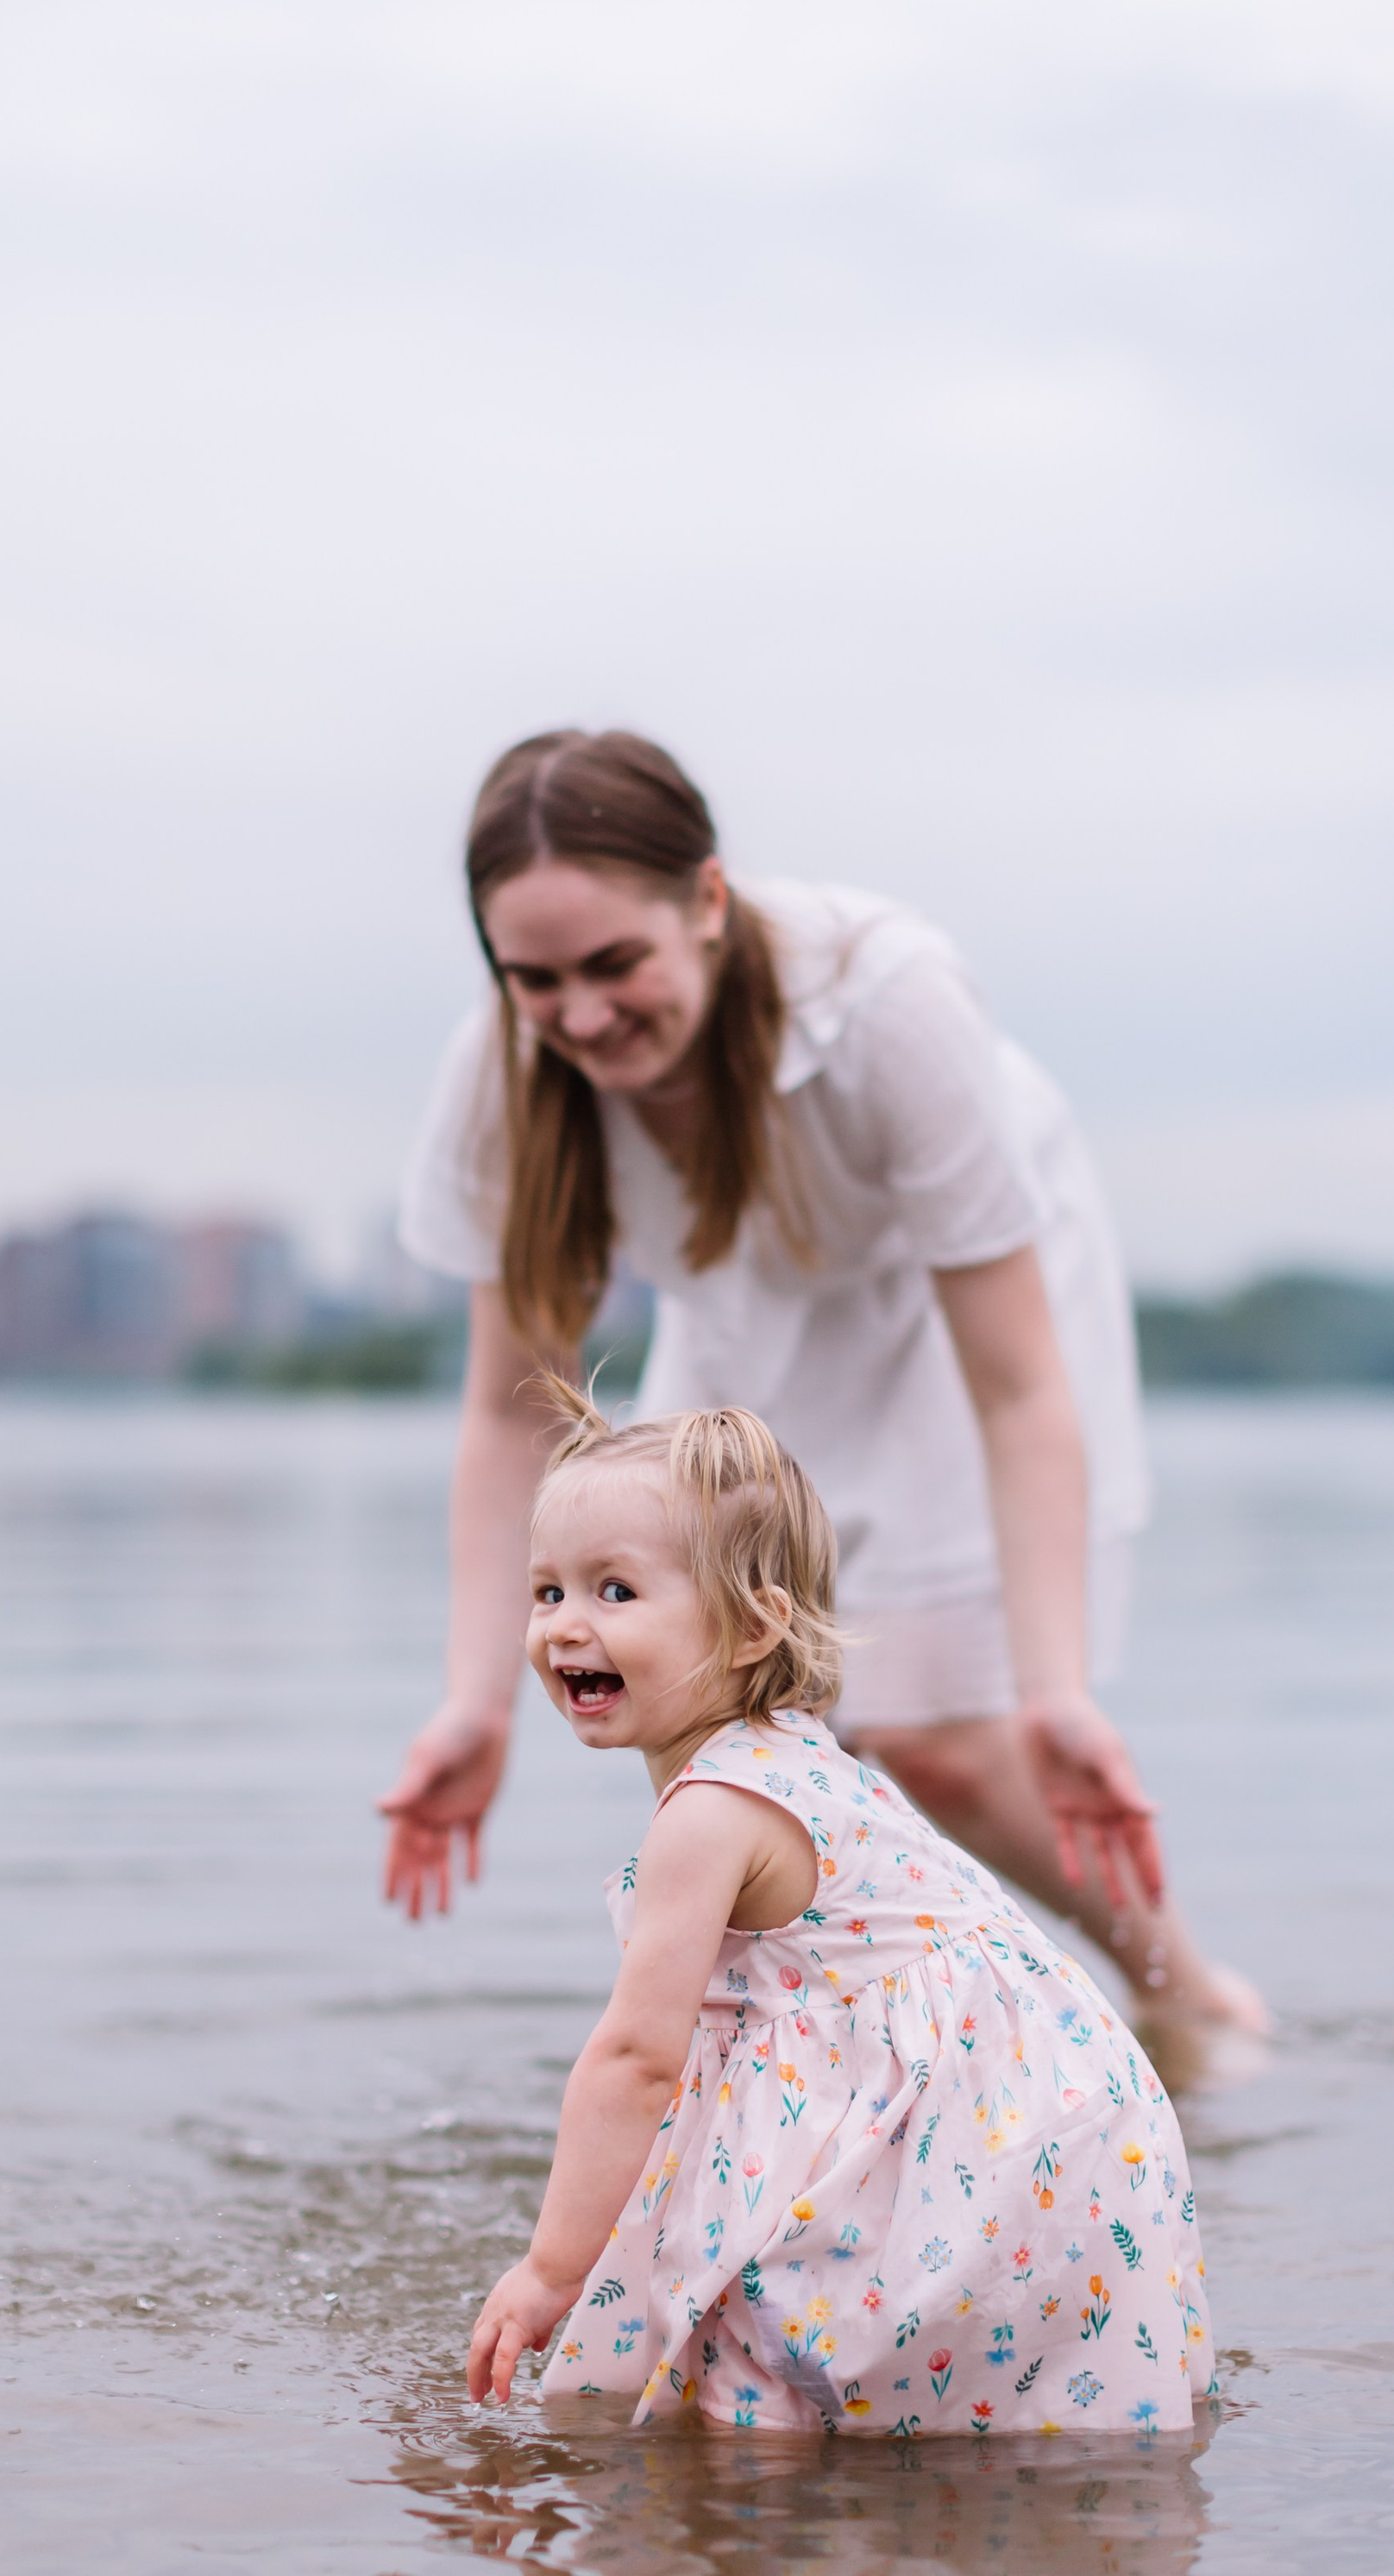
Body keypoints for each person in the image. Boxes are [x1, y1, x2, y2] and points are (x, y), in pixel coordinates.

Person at [383, 725, 1262, 2035]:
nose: (582, 1016)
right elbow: (509, 1414)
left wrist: (1055, 1691)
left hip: (949, 1310)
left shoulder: (885, 1001)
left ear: (709, 900)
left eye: (616, 963)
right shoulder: (504, 1077)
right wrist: (476, 1704)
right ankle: (858, 2061)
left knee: (946, 1748)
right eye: (536, 979)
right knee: (750, 1731)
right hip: (740, 1311)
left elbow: (1020, 1387)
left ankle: (1191, 2009)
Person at [464, 1384, 1214, 2437]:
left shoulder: (710, 1809)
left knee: (756, 2392)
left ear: (752, 1625)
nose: (564, 1627)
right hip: (1062, 2117)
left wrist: (551, 2269)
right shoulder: (802, 1751)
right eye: (547, 1591)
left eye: (616, 1591)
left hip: (978, 2138)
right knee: (989, 2420)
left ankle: (769, 2512)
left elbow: (634, 2060)